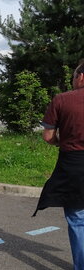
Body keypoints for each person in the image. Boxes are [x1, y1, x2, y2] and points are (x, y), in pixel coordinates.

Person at [34, 62, 84, 270]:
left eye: (73, 77)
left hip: (74, 163)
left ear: (80, 77)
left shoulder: (62, 99)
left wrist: (59, 141)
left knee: (78, 218)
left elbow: (48, 136)